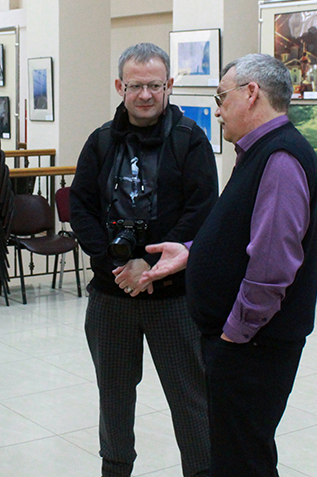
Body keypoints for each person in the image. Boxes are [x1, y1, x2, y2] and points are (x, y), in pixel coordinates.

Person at [138, 53, 317, 477]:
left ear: (251, 93)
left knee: (243, 460)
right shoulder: (260, 153)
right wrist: (192, 252)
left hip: (252, 346)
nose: (219, 110)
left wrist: (233, 335)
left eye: (222, 98)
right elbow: (242, 233)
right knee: (235, 454)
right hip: (244, 344)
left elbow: (272, 267)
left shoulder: (280, 160)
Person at [70, 42, 217, 477]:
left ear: (169, 85)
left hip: (173, 298)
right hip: (112, 293)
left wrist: (151, 266)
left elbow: (201, 209)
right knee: (114, 397)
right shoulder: (100, 142)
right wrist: (116, 267)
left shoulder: (190, 141)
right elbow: (81, 208)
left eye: (154, 85)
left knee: (190, 399)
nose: (146, 95)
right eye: (136, 86)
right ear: (120, 87)